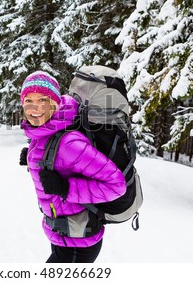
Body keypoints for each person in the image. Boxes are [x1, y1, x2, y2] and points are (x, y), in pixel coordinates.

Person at [19, 71, 126, 263]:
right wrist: (33, 157)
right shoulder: (47, 132)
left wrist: (66, 188)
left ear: (54, 102)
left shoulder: (69, 143)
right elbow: (61, 165)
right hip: (64, 233)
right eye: (28, 100)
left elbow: (116, 185)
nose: (34, 107)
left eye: (42, 99)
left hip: (79, 243)